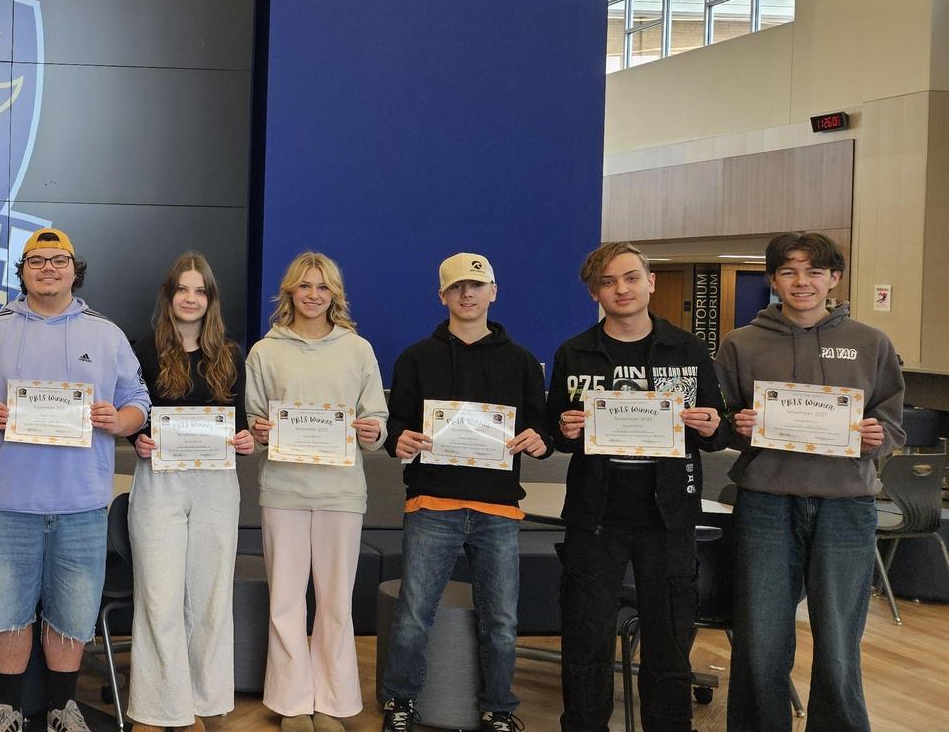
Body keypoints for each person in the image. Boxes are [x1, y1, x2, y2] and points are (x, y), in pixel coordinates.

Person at [717, 232, 903, 732]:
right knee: (760, 638)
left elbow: (893, 426)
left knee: (840, 641)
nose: (802, 282)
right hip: (765, 503)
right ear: (773, 280)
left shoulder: (871, 343)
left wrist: (875, 437)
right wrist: (738, 424)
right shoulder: (740, 343)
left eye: (814, 272)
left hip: (846, 506)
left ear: (834, 279)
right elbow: (724, 416)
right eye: (789, 272)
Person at [0, 227, 150, 732]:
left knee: (71, 612)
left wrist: (121, 421)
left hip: (81, 501)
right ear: (23, 270)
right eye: (36, 261)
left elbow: (139, 400)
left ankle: (60, 709)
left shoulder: (106, 333)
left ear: (75, 269)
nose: (48, 268)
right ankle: (6, 709)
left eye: (59, 260)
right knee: (4, 609)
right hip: (7, 498)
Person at [544, 243, 727, 732]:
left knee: (669, 642)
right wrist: (562, 429)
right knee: (586, 639)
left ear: (651, 282)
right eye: (607, 282)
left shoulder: (687, 349)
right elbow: (553, 433)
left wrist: (712, 425)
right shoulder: (573, 352)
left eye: (629, 278)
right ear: (594, 293)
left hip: (669, 516)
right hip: (595, 514)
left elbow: (718, 431)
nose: (620, 289)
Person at [378, 253, 549, 732]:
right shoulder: (415, 358)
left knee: (501, 623)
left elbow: (541, 426)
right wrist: (399, 440)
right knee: (414, 616)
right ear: (442, 296)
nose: (467, 295)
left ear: (494, 291)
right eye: (456, 288)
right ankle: (400, 703)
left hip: (498, 508)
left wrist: (540, 440)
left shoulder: (521, 362)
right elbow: (397, 425)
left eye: (476, 286)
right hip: (432, 504)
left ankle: (499, 708)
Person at [245, 250, 385, 732]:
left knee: (335, 603)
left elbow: (378, 419)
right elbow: (254, 418)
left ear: (335, 295)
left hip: (341, 493)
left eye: (322, 287)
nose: (313, 295)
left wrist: (373, 432)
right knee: (285, 600)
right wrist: (260, 429)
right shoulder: (265, 351)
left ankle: (333, 700)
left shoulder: (358, 349)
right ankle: (290, 701)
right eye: (304, 286)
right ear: (290, 292)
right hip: (283, 488)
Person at [125, 252, 253, 730]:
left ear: (210, 299)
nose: (191, 298)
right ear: (169, 295)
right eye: (183, 289)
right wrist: (135, 438)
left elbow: (241, 426)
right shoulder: (143, 349)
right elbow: (131, 413)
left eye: (200, 290)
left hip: (218, 484)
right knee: (158, 598)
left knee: (210, 598)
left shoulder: (231, 354)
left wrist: (245, 439)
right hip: (160, 481)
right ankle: (159, 708)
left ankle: (200, 703)